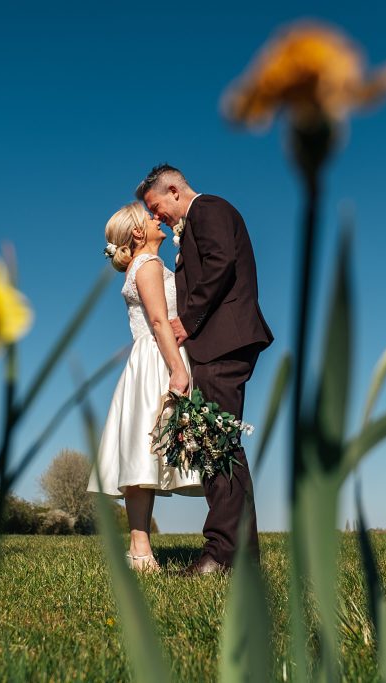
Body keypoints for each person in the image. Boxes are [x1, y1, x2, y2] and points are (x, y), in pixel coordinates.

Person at [136, 164, 273, 575]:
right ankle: (238, 555)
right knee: (220, 444)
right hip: (221, 343)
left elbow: (220, 263)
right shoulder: (197, 218)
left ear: (175, 190)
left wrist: (187, 320)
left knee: (217, 445)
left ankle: (221, 554)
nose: (156, 217)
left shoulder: (208, 208)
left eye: (156, 207)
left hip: (224, 341)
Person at [87, 201, 203, 573]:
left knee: (142, 453)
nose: (158, 221)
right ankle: (140, 550)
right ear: (138, 233)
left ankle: (140, 551)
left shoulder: (147, 264)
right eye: (151, 218)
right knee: (144, 451)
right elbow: (157, 320)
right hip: (158, 357)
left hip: (150, 358)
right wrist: (177, 370)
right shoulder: (149, 265)